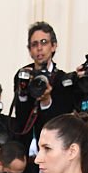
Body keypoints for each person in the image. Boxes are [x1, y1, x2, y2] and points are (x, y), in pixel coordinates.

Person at [12, 22, 75, 151]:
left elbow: (60, 122)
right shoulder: (23, 74)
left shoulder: (63, 79)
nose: (39, 48)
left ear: (53, 46)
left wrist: (46, 101)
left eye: (44, 42)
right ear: (29, 50)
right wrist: (23, 94)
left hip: (53, 146)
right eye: (34, 44)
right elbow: (21, 117)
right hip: (25, 143)